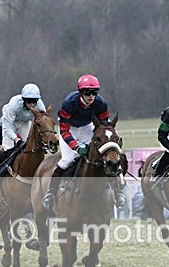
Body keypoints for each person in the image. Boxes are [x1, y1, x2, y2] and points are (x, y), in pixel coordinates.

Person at [42, 73, 124, 211]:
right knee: (67, 160)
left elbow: (104, 126)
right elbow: (64, 131)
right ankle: (50, 193)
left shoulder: (101, 103)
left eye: (94, 92)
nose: (91, 96)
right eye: (87, 92)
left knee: (101, 157)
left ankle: (117, 191)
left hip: (87, 127)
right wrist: (76, 146)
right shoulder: (69, 103)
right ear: (81, 92)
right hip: (69, 128)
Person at [0, 83, 47, 183]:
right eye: (29, 101)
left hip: (24, 122)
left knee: (29, 146)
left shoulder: (39, 104)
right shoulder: (15, 104)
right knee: (8, 148)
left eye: (34, 101)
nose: (32, 104)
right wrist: (16, 139)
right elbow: (7, 126)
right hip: (10, 123)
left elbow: (43, 119)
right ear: (23, 100)